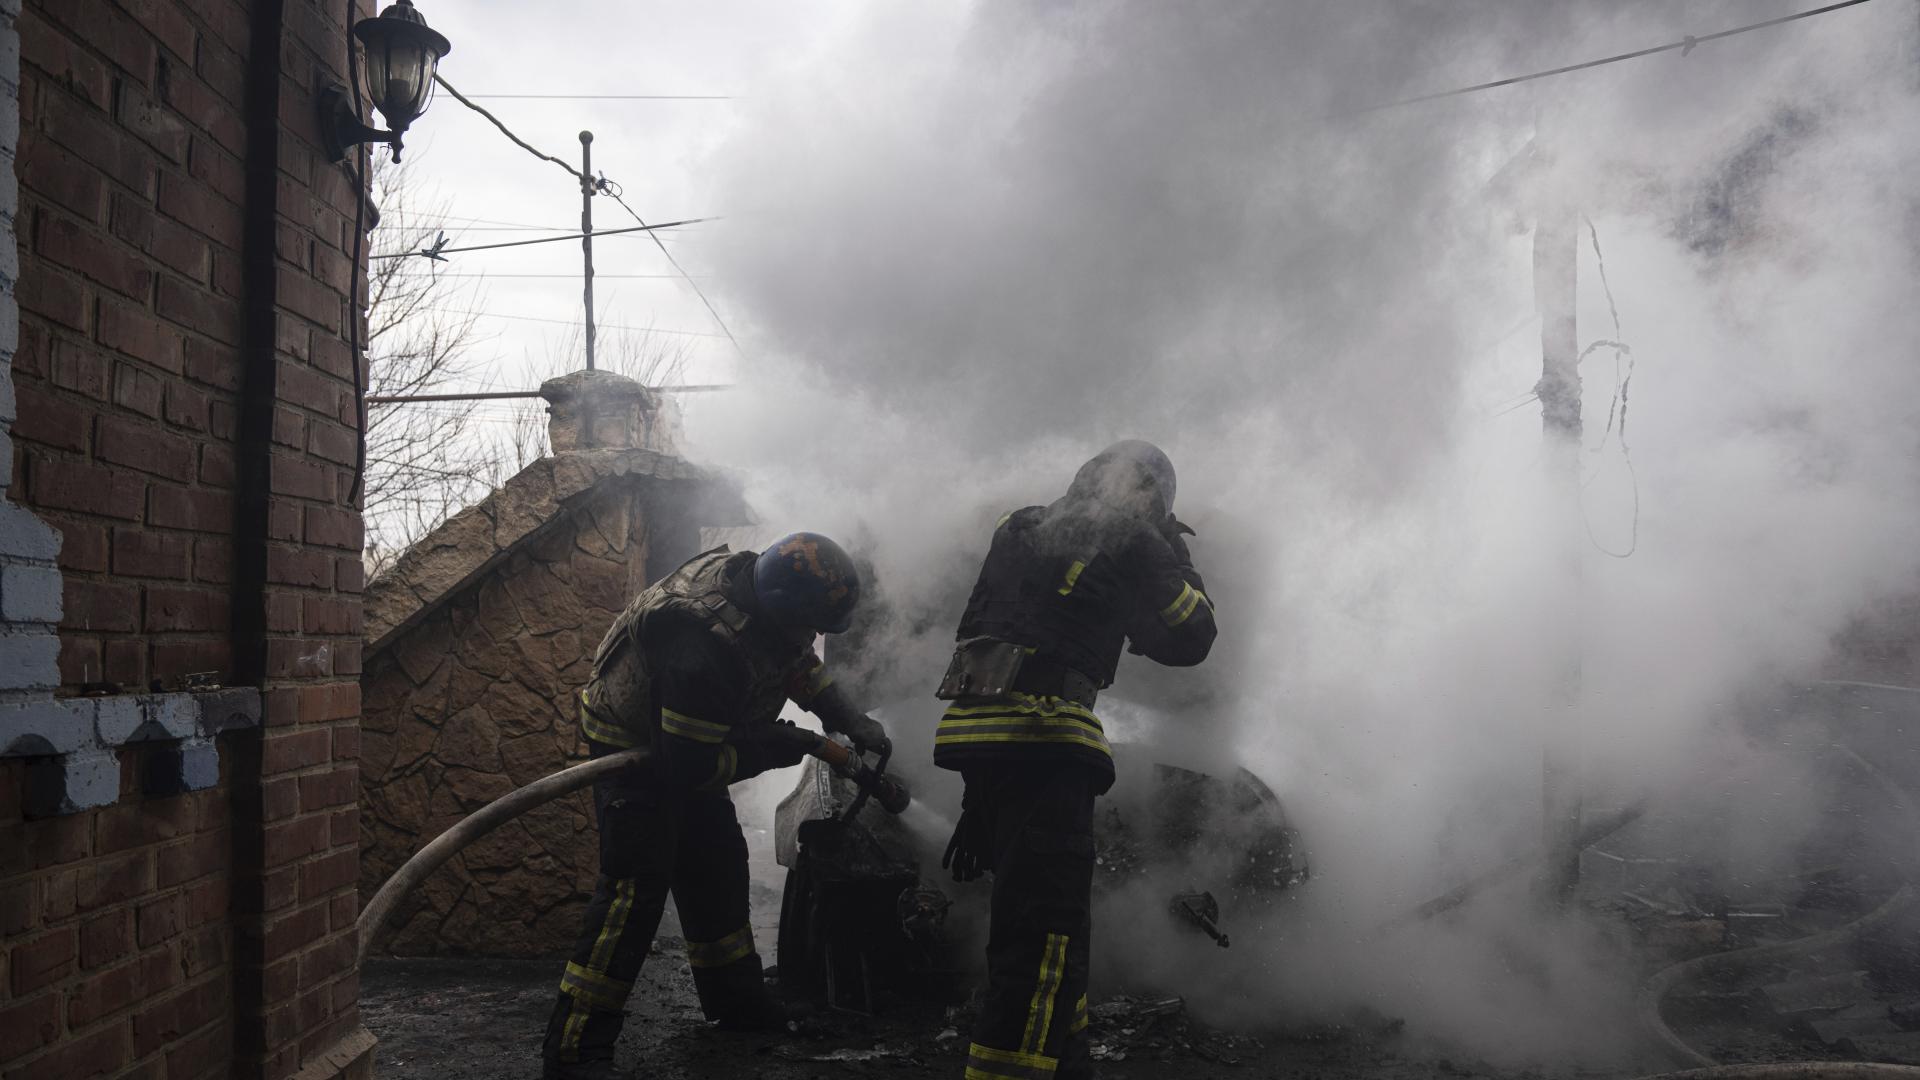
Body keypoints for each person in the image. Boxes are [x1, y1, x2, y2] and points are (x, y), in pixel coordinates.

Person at [542, 533, 893, 1080]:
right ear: (784, 611)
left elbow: (799, 665)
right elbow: (687, 767)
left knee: (717, 864)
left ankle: (738, 1006)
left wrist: (849, 719)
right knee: (635, 889)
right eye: (812, 626)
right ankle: (574, 1048)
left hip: (688, 741)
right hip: (634, 749)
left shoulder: (764, 596)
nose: (814, 638)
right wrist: (775, 746)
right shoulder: (701, 646)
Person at [933, 441, 1217, 1080]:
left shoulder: (1019, 525)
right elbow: (1192, 637)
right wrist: (1173, 549)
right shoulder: (1136, 541)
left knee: (1046, 926)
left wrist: (977, 804)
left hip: (981, 736)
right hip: (1047, 738)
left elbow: (1005, 620)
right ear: (1154, 498)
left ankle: (1070, 1063)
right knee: (1046, 937)